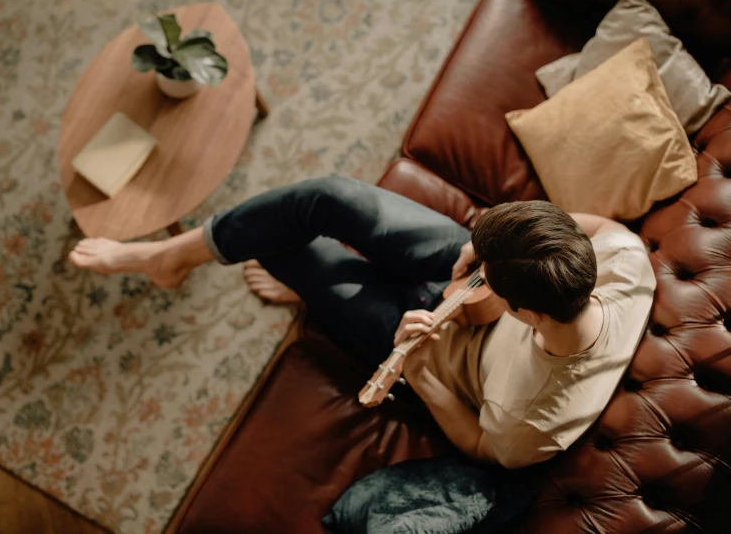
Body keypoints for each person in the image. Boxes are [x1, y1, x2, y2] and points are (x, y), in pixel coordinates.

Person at [69, 174, 655, 468]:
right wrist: (474, 259)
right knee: (322, 197)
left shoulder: (532, 420)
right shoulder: (625, 264)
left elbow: (481, 444)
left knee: (280, 246)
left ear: (527, 315)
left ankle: (307, 291)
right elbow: (599, 229)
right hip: (489, 280)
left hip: (434, 349)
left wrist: (422, 374)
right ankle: (166, 259)